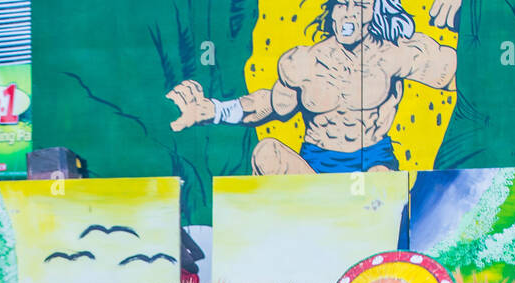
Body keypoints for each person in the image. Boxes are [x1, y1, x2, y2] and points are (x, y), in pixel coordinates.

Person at [166, 0, 458, 174]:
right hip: (315, 168)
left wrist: (469, 12)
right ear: (331, 11)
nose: (347, 14)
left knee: (381, 176)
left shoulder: (397, 54)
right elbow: (272, 104)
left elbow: (459, 75)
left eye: (358, 5)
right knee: (266, 151)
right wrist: (215, 110)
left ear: (375, 11)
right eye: (342, 4)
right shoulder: (305, 61)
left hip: (374, 164)